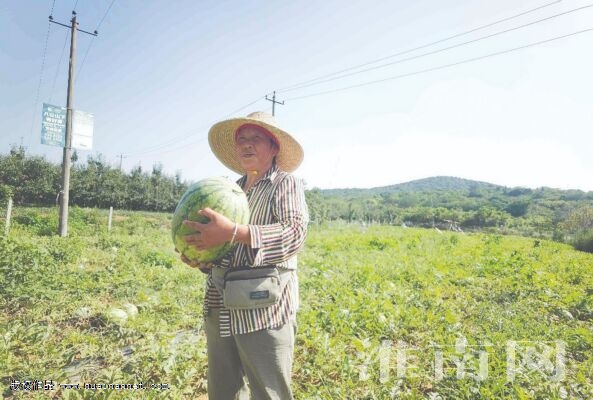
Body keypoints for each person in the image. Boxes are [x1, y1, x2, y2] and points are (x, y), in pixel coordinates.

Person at [179, 111, 309, 399]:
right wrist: (202, 259)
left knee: (267, 391)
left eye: (256, 138)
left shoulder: (284, 183)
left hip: (264, 309)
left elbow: (294, 234)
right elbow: (224, 248)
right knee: (223, 390)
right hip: (220, 301)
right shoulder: (230, 189)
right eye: (242, 139)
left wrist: (235, 231)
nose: (246, 145)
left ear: (274, 147)